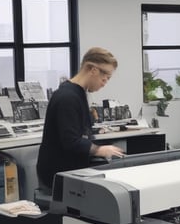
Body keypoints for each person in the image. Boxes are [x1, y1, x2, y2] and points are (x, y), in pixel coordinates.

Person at [36, 47, 125, 190]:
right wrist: (99, 150)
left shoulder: (78, 93)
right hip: (58, 175)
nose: (104, 83)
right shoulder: (67, 97)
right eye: (105, 78)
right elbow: (71, 141)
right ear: (93, 70)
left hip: (70, 171)